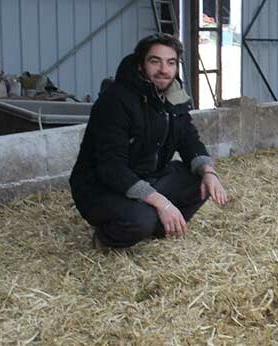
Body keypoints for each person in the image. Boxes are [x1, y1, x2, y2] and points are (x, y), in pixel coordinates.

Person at [70, 33, 228, 249]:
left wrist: (209, 172)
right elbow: (111, 167)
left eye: (170, 63)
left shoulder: (173, 95)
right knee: (141, 220)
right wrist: (161, 202)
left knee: (198, 181)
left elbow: (189, 139)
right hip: (101, 187)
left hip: (149, 176)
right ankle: (105, 240)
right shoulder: (116, 101)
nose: (164, 69)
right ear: (140, 65)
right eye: (155, 61)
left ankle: (160, 226)